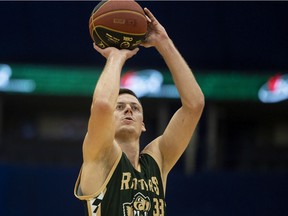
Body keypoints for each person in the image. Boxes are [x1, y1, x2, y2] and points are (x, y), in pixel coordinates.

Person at [74, 7, 204, 216]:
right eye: (120, 106)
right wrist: (116, 57)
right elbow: (101, 106)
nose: (128, 109)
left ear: (143, 124)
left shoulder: (158, 160)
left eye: (135, 108)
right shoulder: (101, 154)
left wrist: (163, 42)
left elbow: (194, 105)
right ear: (108, 121)